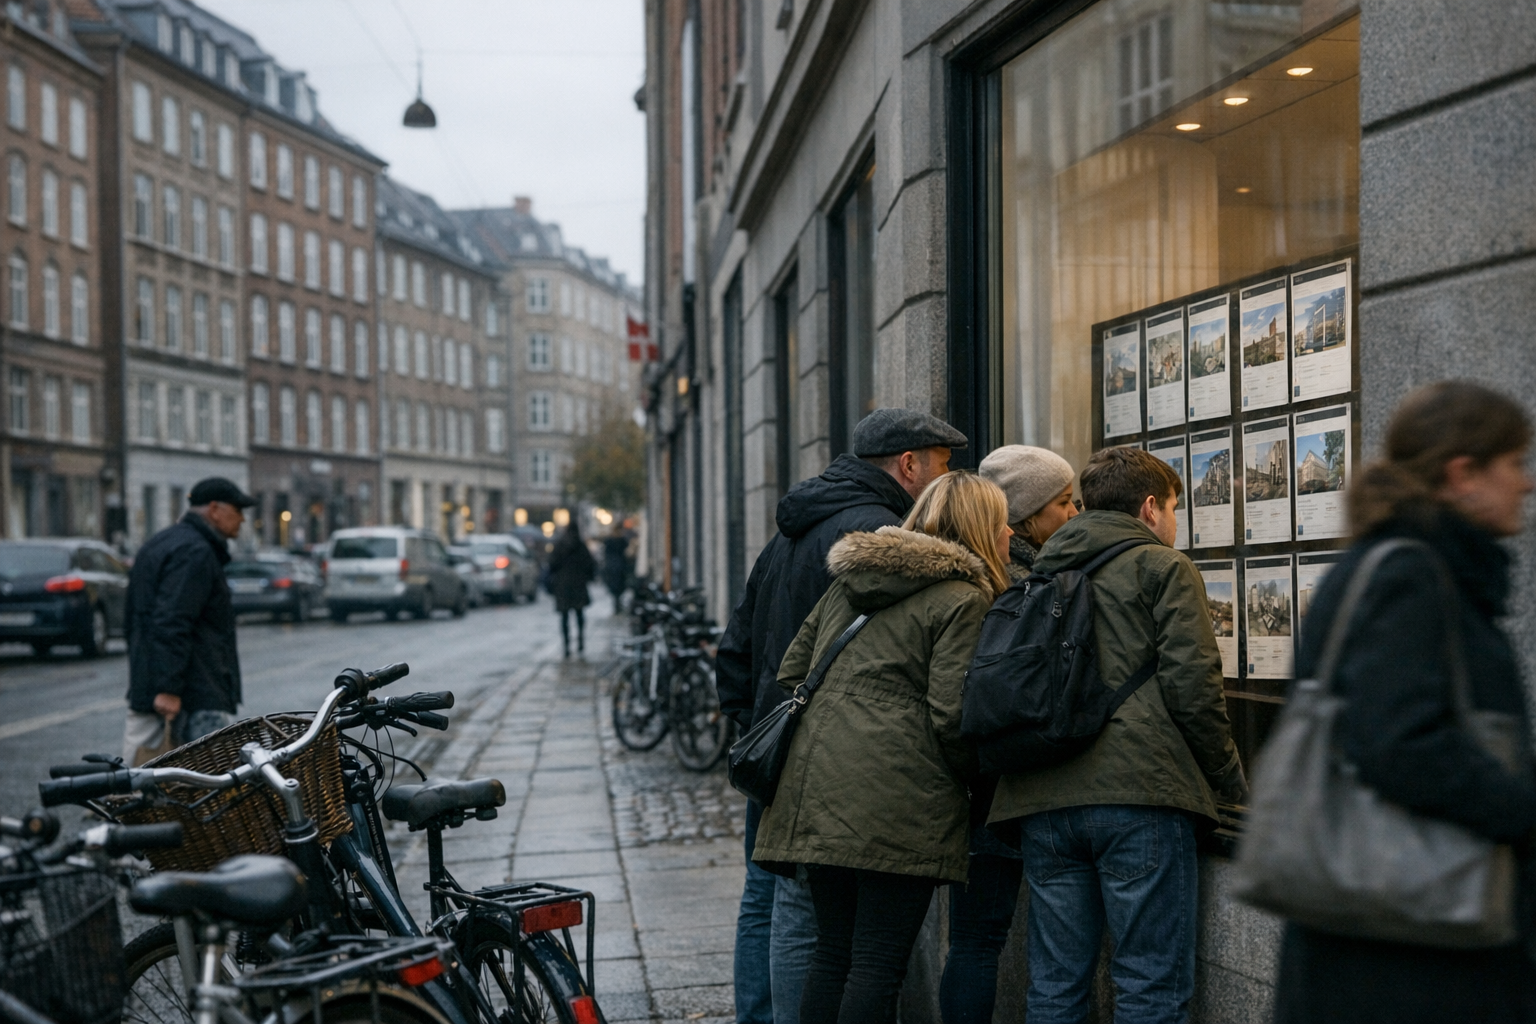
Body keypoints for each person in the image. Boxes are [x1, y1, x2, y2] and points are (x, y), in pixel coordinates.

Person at [1273, 381, 1536, 1024]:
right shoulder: (1409, 573)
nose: (1526, 484)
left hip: (1389, 937)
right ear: (1462, 473)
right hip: (1407, 946)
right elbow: (1398, 741)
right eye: (1515, 464)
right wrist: (1520, 807)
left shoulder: (1397, 565)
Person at [716, 408, 967, 1024]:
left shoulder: (793, 528)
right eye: (941, 467)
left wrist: (748, 723)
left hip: (775, 740)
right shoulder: (883, 535)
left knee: (766, 897)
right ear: (910, 465)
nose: (944, 481)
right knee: (818, 925)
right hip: (832, 754)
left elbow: (739, 639)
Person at [988, 446, 1245, 1024]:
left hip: (1042, 799)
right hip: (1140, 797)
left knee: (1055, 987)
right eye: (1176, 507)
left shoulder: (1040, 569)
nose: (1176, 522)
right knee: (1149, 986)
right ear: (1151, 508)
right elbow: (1193, 690)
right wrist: (1230, 782)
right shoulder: (1163, 568)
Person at [752, 471, 1011, 1024]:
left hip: (815, 784)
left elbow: (792, 672)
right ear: (982, 528)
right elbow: (950, 714)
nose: (1010, 532)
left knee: (833, 951)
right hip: (898, 793)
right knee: (876, 961)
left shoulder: (851, 580)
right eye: (1002, 521)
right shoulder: (963, 599)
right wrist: (978, 786)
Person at [939, 445, 1078, 1024]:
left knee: (970, 940)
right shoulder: (1016, 582)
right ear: (1025, 516)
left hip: (971, 786)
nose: (1074, 515)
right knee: (980, 937)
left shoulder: (967, 571)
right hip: (997, 788)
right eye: (1064, 504)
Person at [122, 477, 255, 761]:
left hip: (154, 682)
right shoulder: (196, 552)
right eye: (238, 509)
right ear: (215, 509)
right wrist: (168, 688)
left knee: (139, 773)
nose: (243, 519)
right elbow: (173, 621)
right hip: (189, 693)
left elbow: (139, 617)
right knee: (202, 784)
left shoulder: (164, 542)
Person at [547, 519, 597, 658]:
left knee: (564, 617)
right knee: (579, 614)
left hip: (562, 585)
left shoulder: (559, 545)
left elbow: (551, 564)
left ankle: (566, 646)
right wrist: (587, 577)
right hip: (578, 584)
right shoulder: (581, 546)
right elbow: (590, 564)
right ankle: (580, 641)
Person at [601, 527, 631, 615]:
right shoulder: (621, 541)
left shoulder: (611, 541)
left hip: (613, 567)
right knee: (618, 586)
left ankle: (617, 603)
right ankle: (617, 603)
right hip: (619, 566)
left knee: (615, 587)